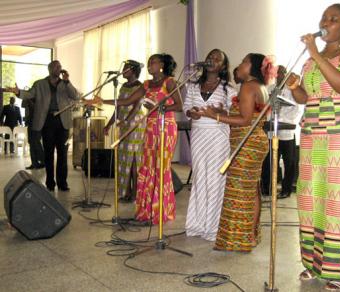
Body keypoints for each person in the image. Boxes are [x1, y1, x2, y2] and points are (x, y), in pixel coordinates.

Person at [287, 4, 340, 290]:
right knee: (309, 200)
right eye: (324, 17)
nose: (325, 22)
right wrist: (293, 85)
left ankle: (338, 272)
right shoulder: (312, 60)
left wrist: (313, 54)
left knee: (338, 204)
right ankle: (313, 262)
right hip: (313, 133)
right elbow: (305, 97)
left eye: (333, 18)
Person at [93, 54, 182, 224]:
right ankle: (146, 209)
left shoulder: (169, 82)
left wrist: (159, 107)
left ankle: (161, 210)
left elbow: (179, 106)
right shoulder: (147, 84)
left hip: (166, 127)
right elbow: (126, 101)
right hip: (150, 127)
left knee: (160, 168)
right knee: (147, 167)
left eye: (153, 62)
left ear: (162, 65)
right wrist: (102, 100)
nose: (149, 65)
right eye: (148, 62)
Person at [199, 53, 274, 252]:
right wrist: (220, 113)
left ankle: (238, 240)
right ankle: (248, 236)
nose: (239, 65)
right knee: (251, 190)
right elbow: (246, 115)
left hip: (247, 144)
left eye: (243, 62)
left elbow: (245, 120)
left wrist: (214, 116)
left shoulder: (248, 86)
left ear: (253, 67)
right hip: (253, 142)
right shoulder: (259, 86)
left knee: (240, 191)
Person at [183, 49, 236, 241]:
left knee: (215, 180)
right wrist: (192, 113)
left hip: (218, 136)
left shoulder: (228, 89)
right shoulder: (192, 86)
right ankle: (196, 224)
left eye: (217, 59)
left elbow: (235, 115)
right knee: (199, 178)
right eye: (210, 57)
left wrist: (219, 112)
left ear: (223, 66)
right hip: (198, 135)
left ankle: (213, 227)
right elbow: (186, 107)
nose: (212, 60)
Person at [6, 60, 79, 191]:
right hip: (47, 122)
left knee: (62, 154)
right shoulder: (40, 84)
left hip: (63, 122)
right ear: (50, 69)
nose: (59, 69)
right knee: (48, 153)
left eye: (60, 67)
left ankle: (62, 183)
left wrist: (67, 81)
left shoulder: (65, 84)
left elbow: (75, 96)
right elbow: (29, 94)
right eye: (57, 67)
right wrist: (18, 92)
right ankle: (50, 183)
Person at [103, 60, 146, 202]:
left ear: (133, 71)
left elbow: (136, 106)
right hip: (123, 124)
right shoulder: (123, 87)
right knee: (123, 159)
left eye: (126, 68)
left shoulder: (140, 86)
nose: (123, 71)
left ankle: (135, 194)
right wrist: (109, 124)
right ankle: (126, 192)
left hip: (135, 125)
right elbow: (118, 107)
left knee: (133, 159)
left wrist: (127, 120)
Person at [261, 65, 304, 199]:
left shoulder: (292, 90)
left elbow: (296, 109)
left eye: (283, 72)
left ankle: (286, 189)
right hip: (271, 131)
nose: (281, 75)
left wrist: (283, 120)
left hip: (286, 131)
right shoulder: (269, 89)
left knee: (289, 162)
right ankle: (267, 188)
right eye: (278, 73)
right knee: (268, 162)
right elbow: (263, 107)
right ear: (275, 75)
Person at [22, 98, 45, 169]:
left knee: (36, 142)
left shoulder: (39, 98)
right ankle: (34, 163)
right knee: (31, 143)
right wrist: (26, 99)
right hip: (30, 123)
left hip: (37, 124)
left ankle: (43, 161)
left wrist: (29, 101)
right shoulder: (28, 99)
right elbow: (23, 105)